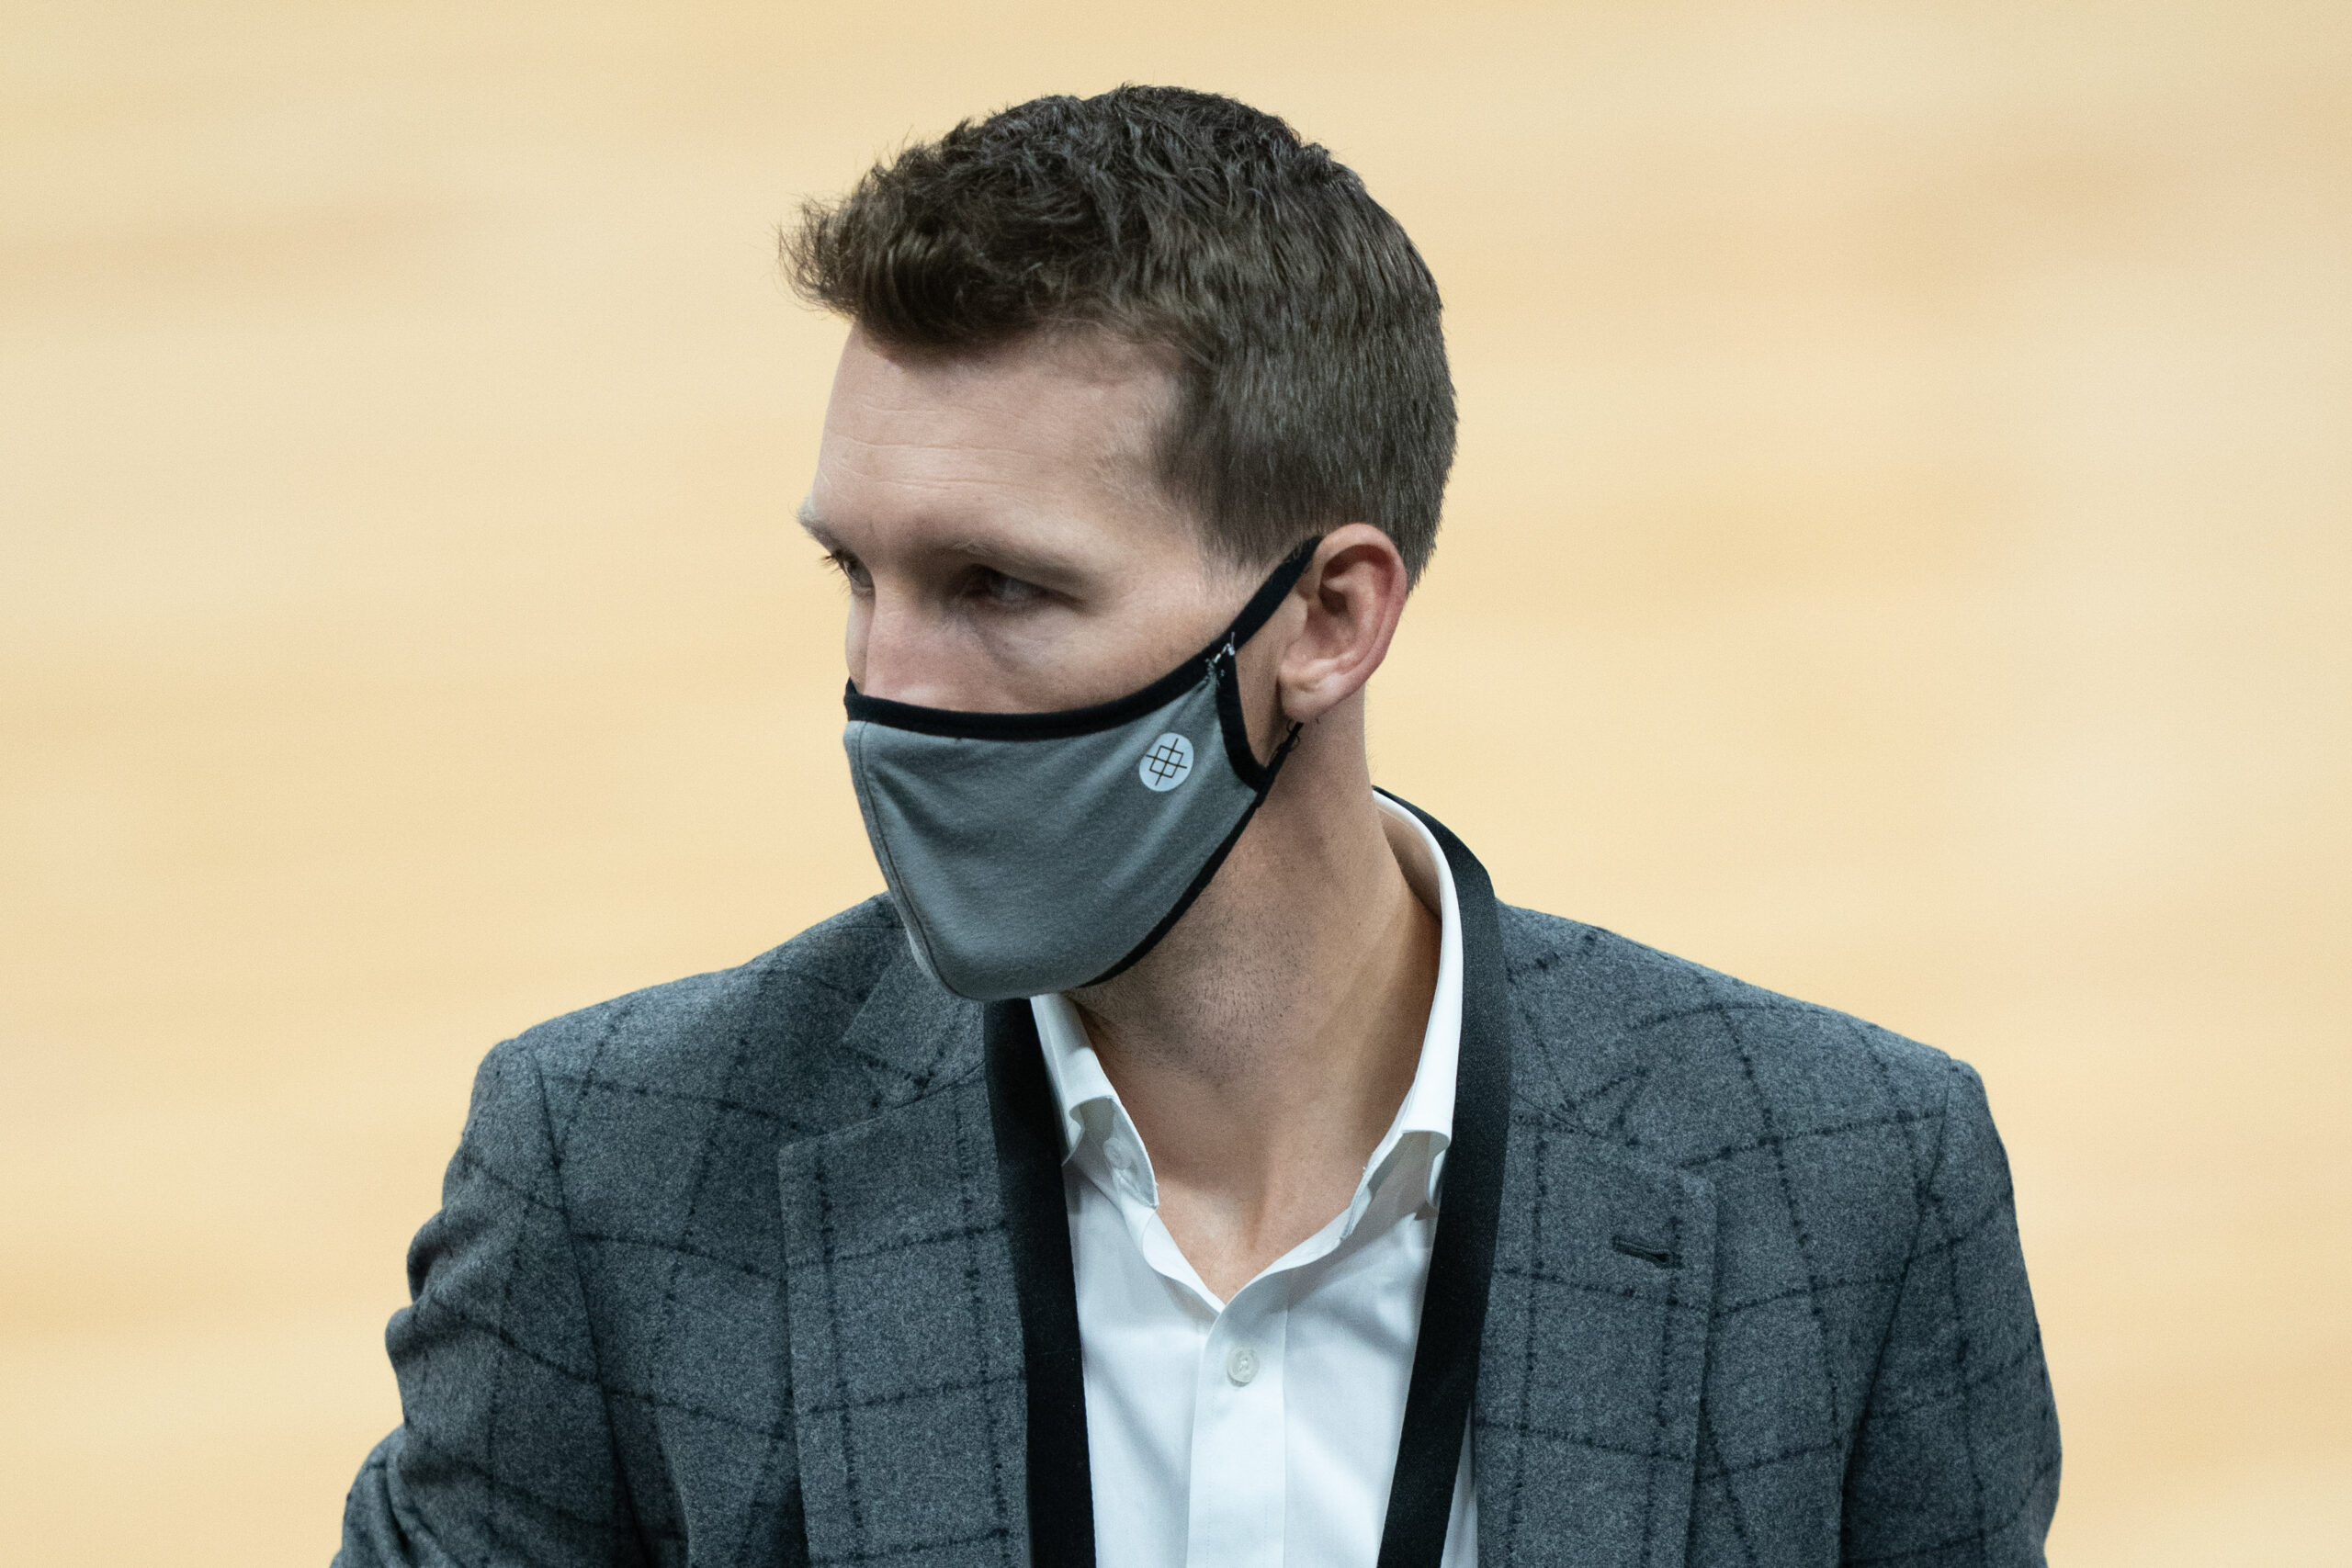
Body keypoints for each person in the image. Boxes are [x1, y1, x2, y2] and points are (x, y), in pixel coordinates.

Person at [337, 85, 2059, 1568]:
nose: (887, 696)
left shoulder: (1848, 1194)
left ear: (1325, 620)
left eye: (999, 587)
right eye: (860, 579)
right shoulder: (609, 1180)